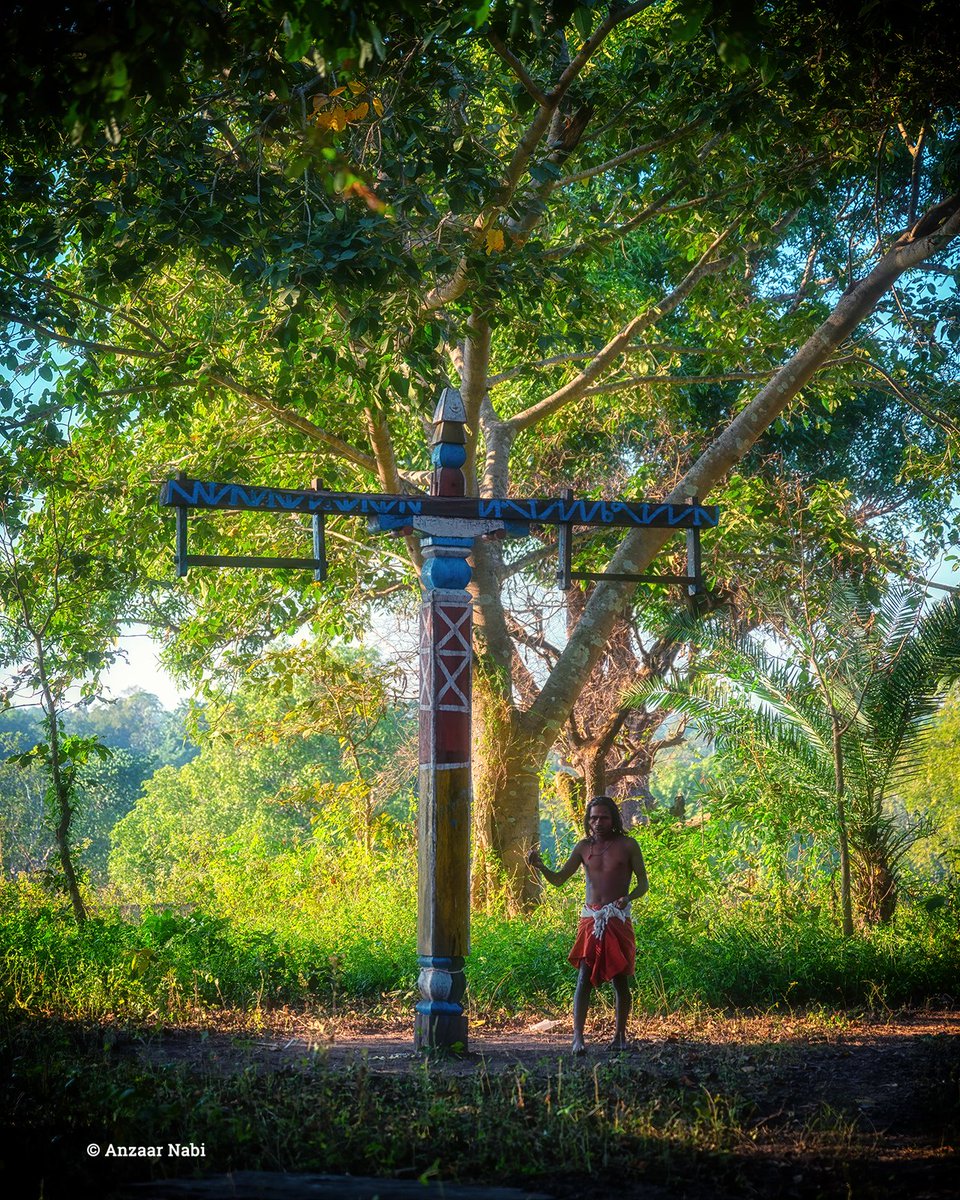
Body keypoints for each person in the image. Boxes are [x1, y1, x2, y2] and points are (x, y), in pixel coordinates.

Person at [527, 796, 648, 1054]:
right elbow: (559, 879)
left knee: (619, 979)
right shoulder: (583, 847)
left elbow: (643, 884)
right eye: (593, 818)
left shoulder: (628, 845)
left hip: (616, 917)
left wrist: (628, 897)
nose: (598, 822)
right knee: (584, 976)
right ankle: (578, 1038)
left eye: (603, 817)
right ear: (587, 820)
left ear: (613, 818)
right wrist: (540, 866)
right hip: (590, 919)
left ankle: (619, 1035)